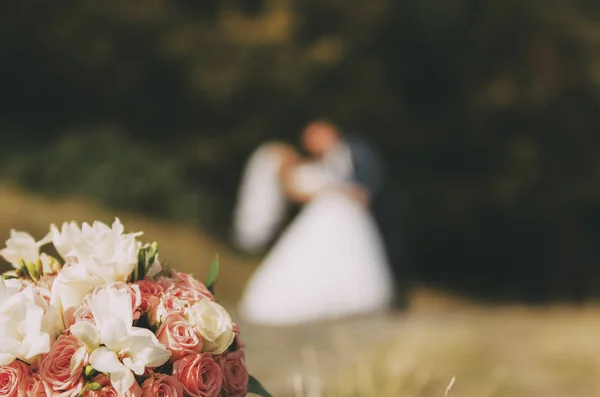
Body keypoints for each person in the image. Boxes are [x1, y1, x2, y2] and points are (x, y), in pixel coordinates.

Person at [233, 140, 394, 325]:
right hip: (324, 213)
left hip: (336, 213)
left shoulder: (322, 161)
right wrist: (336, 191)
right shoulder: (289, 172)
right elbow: (298, 193)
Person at [301, 120, 410, 308]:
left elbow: (375, 173)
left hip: (371, 210)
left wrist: (365, 193)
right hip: (339, 213)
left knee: (384, 252)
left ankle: (394, 297)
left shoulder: (357, 148)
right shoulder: (321, 161)